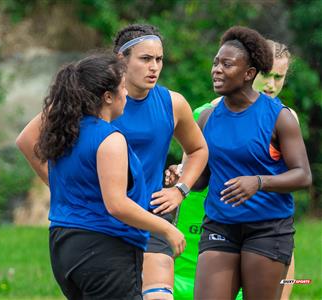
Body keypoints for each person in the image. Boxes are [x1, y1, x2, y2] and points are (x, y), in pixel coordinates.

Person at [16, 53, 186, 300]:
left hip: (63, 245)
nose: (126, 94)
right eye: (122, 89)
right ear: (108, 97)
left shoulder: (66, 133)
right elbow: (116, 205)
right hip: (104, 249)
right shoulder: (109, 139)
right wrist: (167, 229)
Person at [169, 39, 298, 300]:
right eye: (266, 75)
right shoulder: (205, 114)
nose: (272, 85)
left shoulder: (284, 117)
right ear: (250, 70)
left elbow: (296, 179)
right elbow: (192, 173)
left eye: (279, 77)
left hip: (268, 229)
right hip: (213, 223)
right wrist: (177, 176)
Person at [111, 24, 208, 299]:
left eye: (159, 59)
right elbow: (32, 140)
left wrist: (181, 190)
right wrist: (64, 190)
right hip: (105, 214)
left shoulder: (172, 103)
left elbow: (199, 149)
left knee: (159, 295)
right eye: (145, 59)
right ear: (122, 60)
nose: (154, 67)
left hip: (153, 213)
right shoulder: (97, 100)